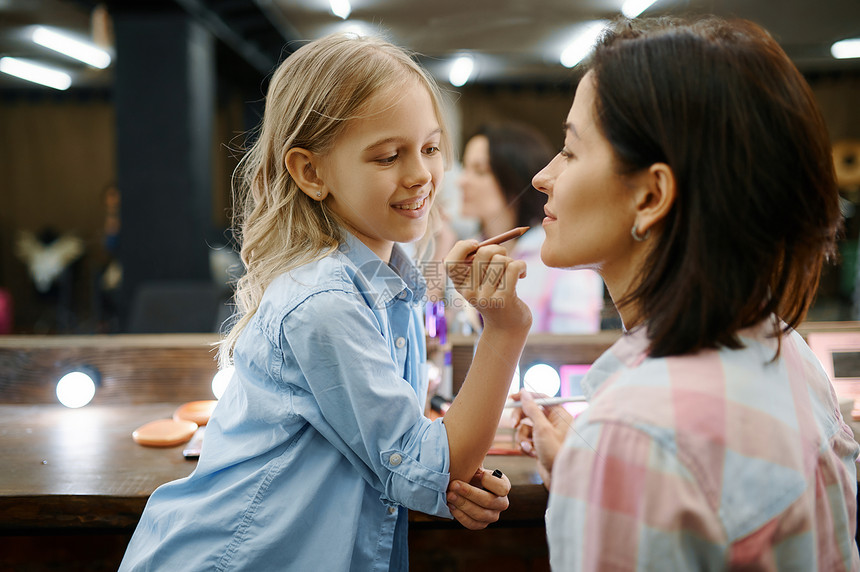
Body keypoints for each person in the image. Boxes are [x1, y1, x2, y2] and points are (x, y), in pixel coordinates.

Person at [120, 33, 532, 571]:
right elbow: (427, 464)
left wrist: (453, 467)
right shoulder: (323, 301)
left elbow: (404, 452)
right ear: (310, 172)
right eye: (388, 156)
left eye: (430, 148)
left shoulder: (391, 287)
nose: (420, 175)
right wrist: (504, 329)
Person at [513, 17, 860, 571]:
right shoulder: (786, 353)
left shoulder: (634, 437)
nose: (543, 177)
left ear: (651, 195)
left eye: (572, 151)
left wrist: (606, 468)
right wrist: (587, 472)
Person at [459, 122, 604, 333]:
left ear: (514, 178)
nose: (462, 181)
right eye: (465, 167)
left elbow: (574, 351)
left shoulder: (562, 258)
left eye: (479, 171)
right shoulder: (465, 253)